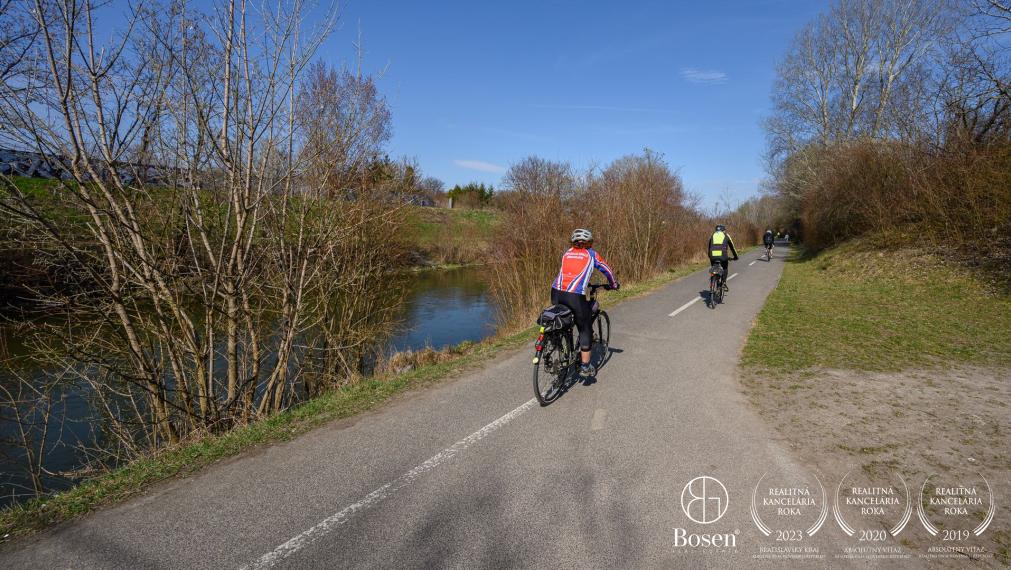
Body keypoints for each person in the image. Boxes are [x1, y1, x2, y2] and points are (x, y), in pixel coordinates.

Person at [551, 228, 619, 378]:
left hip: (556, 292)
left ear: (573, 242)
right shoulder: (592, 254)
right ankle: (585, 367)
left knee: (564, 319)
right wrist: (613, 284)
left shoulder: (567, 253)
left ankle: (559, 346)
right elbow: (606, 269)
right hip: (574, 295)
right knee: (584, 327)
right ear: (589, 243)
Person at [708, 224, 739, 290]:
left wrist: (710, 256)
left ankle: (715, 281)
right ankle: (723, 283)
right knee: (725, 267)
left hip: (712, 256)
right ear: (723, 230)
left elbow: (709, 248)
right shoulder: (726, 235)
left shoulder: (712, 236)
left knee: (714, 268)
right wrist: (736, 257)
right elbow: (732, 247)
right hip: (723, 256)